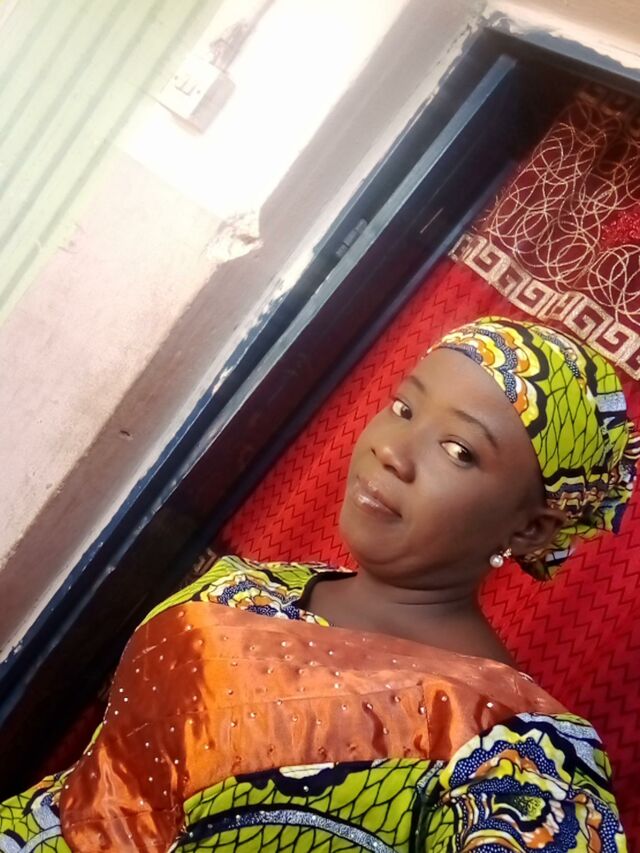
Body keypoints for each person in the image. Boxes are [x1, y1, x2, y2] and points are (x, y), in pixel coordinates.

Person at [2, 317, 637, 852]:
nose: (393, 450)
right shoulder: (251, 585)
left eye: (459, 450)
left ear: (530, 528)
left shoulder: (514, 756)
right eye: (403, 408)